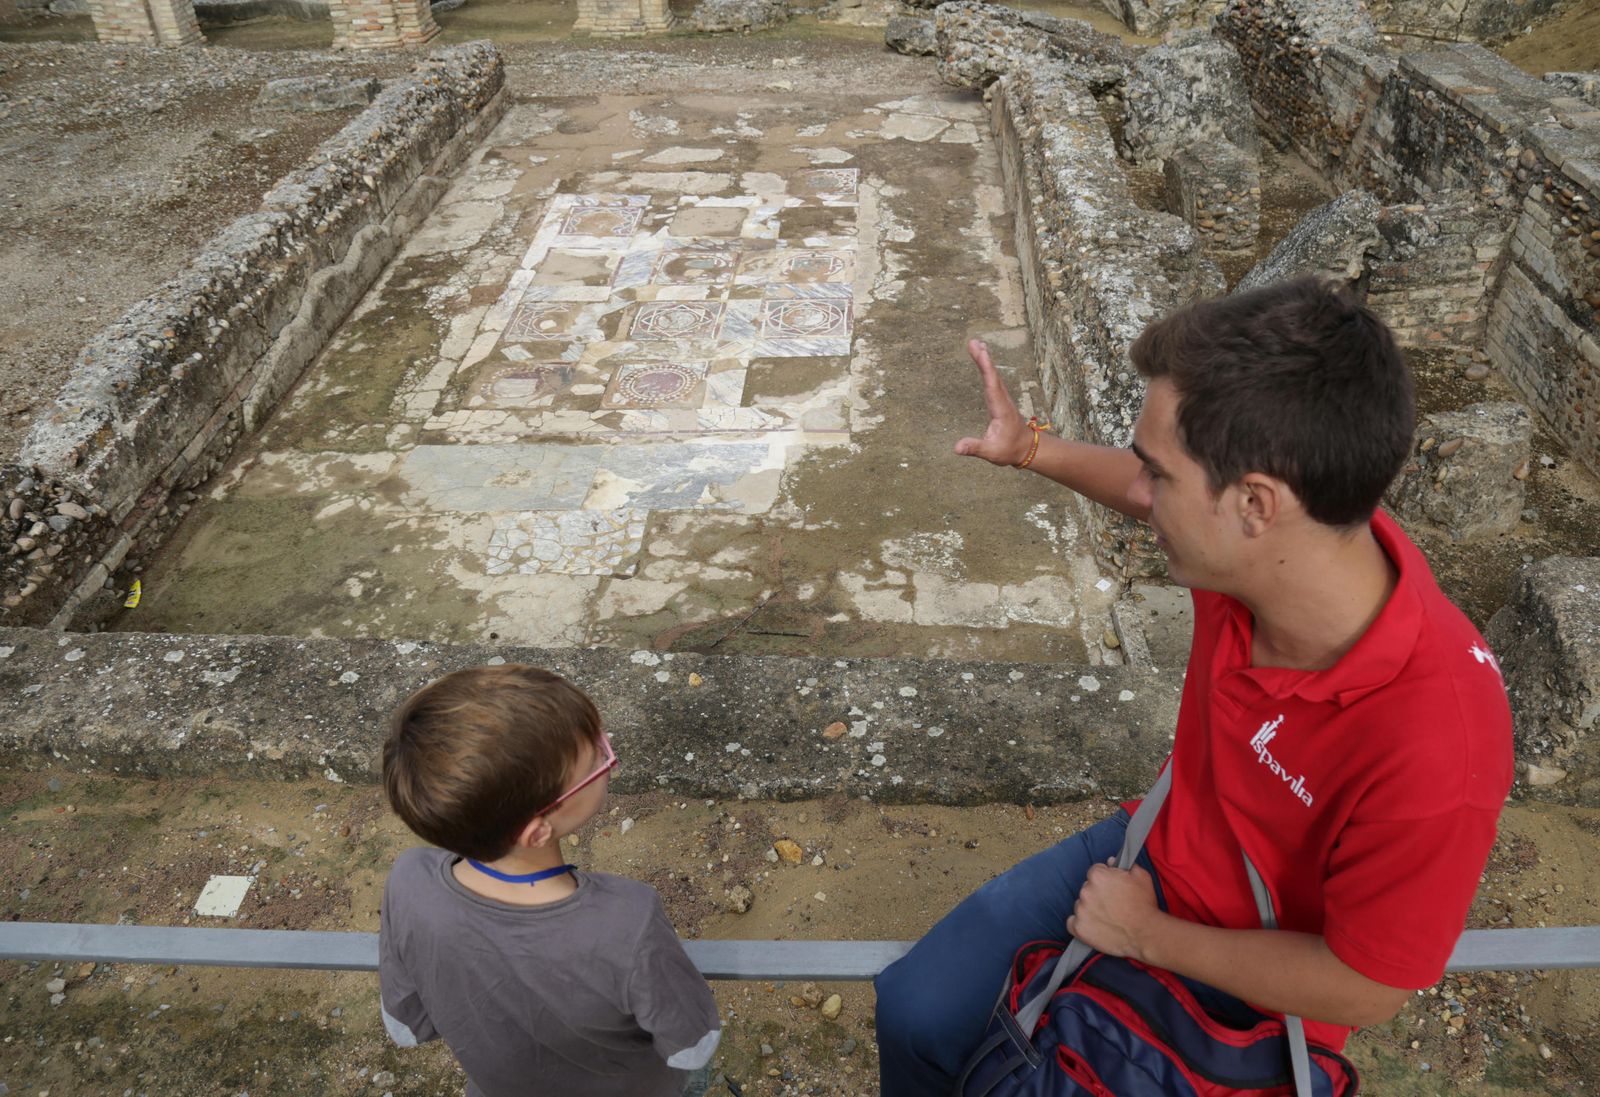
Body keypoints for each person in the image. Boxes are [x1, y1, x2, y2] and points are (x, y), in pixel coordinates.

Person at [874, 276, 1514, 1094]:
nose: (1143, 495)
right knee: (917, 1011)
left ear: (1255, 503)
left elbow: (1368, 983)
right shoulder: (1280, 551)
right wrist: (1033, 449)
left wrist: (1146, 936)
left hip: (1257, 971)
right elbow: (1151, 498)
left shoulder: (1439, 740)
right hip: (1153, 849)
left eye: (1159, 474)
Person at [378, 664, 722, 1097]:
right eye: (600, 758)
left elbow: (408, 1023)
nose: (606, 750)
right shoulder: (627, 918)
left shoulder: (409, 880)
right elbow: (691, 1044)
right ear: (537, 831)